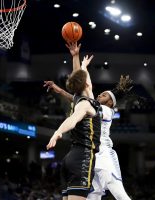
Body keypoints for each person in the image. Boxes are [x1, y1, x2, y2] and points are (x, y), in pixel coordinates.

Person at [44, 42, 132, 200]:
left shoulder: (107, 111)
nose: (99, 96)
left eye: (104, 95)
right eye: (100, 94)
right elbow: (80, 93)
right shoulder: (89, 104)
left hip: (104, 153)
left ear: (111, 102)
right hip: (88, 154)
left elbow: (83, 88)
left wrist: (82, 66)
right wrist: (76, 60)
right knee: (93, 195)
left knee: (119, 194)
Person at [46, 54, 102, 200]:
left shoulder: (81, 98)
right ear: (87, 85)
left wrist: (77, 57)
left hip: (70, 158)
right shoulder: (85, 104)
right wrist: (58, 131)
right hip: (82, 158)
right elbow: (72, 120)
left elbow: (80, 76)